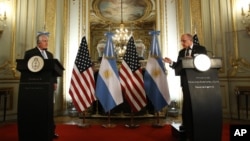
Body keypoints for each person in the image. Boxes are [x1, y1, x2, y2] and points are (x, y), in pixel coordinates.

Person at [163, 33, 207, 136]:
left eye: (184, 41)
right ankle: (187, 124)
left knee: (198, 103)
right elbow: (179, 66)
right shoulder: (182, 52)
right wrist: (171, 63)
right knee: (187, 103)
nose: (182, 43)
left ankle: (199, 123)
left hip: (199, 81)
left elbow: (204, 62)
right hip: (186, 82)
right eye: (181, 41)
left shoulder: (201, 49)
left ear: (190, 40)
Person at [24, 33, 59, 139]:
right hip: (36, 86)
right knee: (37, 109)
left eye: (47, 41)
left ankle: (50, 131)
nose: (46, 43)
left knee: (49, 109)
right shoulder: (30, 53)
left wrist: (55, 82)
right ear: (38, 42)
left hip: (48, 87)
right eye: (44, 41)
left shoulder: (50, 55)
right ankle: (37, 132)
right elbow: (26, 69)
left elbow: (54, 71)